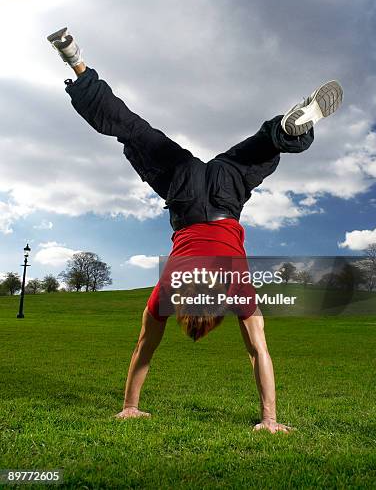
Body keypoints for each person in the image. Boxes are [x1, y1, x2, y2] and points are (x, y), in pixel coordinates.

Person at [48, 27, 343, 434]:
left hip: (225, 191)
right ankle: (74, 60)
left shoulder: (233, 287)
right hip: (184, 188)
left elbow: (259, 351)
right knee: (133, 131)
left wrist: (270, 419)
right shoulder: (171, 289)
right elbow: (143, 350)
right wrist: (128, 406)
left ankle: (285, 132)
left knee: (262, 148)